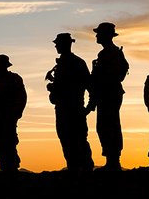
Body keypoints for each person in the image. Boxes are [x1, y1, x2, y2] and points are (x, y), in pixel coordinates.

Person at [45, 33, 95, 176]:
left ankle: (85, 170)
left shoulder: (77, 63)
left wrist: (89, 107)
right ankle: (75, 169)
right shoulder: (63, 64)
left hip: (73, 108)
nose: (55, 46)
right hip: (63, 108)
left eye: (58, 43)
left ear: (65, 45)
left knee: (78, 139)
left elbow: (89, 85)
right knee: (66, 139)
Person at [86, 22, 129, 172]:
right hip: (108, 93)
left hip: (109, 93)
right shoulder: (109, 53)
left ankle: (113, 161)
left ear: (106, 35)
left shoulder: (109, 53)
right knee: (106, 126)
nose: (97, 36)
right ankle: (111, 160)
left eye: (99, 33)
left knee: (108, 126)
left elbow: (110, 76)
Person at [0, 54, 27, 173]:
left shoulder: (14, 79)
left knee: (8, 143)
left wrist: (15, 114)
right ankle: (6, 167)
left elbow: (22, 98)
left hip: (7, 118)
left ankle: (11, 168)